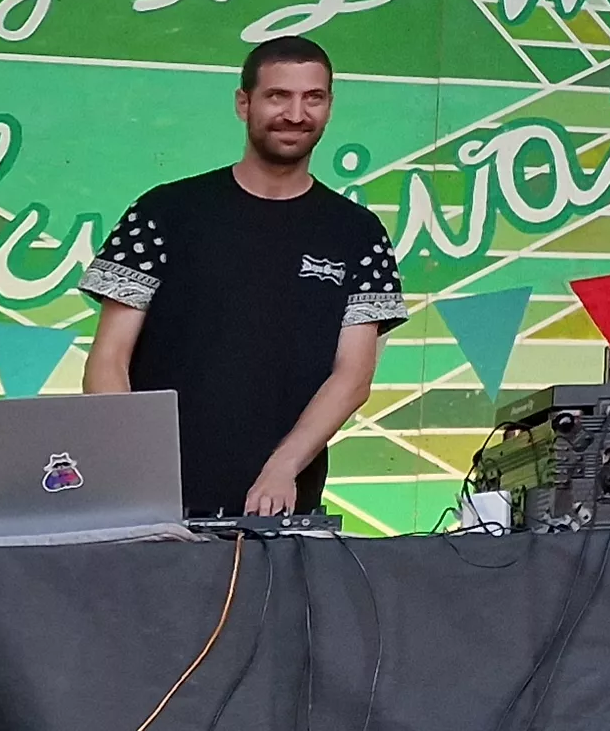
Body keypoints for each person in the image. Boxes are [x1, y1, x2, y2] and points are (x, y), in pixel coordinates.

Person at [82, 34, 406, 517]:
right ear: (243, 103)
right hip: (152, 511)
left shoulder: (358, 232)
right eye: (278, 96)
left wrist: (283, 468)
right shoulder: (164, 212)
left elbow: (353, 377)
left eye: (312, 98)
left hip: (280, 511)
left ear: (329, 107)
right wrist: (141, 473)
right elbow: (108, 360)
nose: (295, 114)